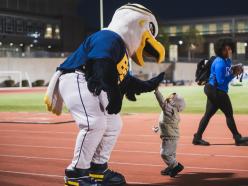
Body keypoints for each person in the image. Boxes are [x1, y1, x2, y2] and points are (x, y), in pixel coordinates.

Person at [44, 3, 165, 186]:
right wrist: (114, 93)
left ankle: (98, 168)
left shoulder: (120, 47)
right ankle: (76, 173)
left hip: (89, 81)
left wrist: (148, 84)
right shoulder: (108, 36)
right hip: (76, 76)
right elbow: (101, 63)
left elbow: (124, 81)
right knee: (94, 123)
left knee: (113, 123)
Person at [193, 37, 248, 146]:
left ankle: (197, 138)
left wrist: (234, 69)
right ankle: (237, 138)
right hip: (216, 90)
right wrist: (234, 73)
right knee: (229, 114)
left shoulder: (227, 60)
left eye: (229, 48)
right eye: (225, 49)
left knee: (208, 115)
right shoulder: (220, 63)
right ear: (220, 50)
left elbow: (226, 73)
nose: (228, 51)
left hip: (214, 89)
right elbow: (221, 81)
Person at [153, 88, 186, 177]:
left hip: (170, 137)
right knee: (171, 153)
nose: (170, 97)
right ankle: (172, 167)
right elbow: (165, 122)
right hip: (171, 136)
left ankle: (176, 166)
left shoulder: (169, 109)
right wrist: (158, 128)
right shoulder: (171, 111)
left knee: (164, 153)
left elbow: (161, 101)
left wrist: (156, 91)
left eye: (173, 97)